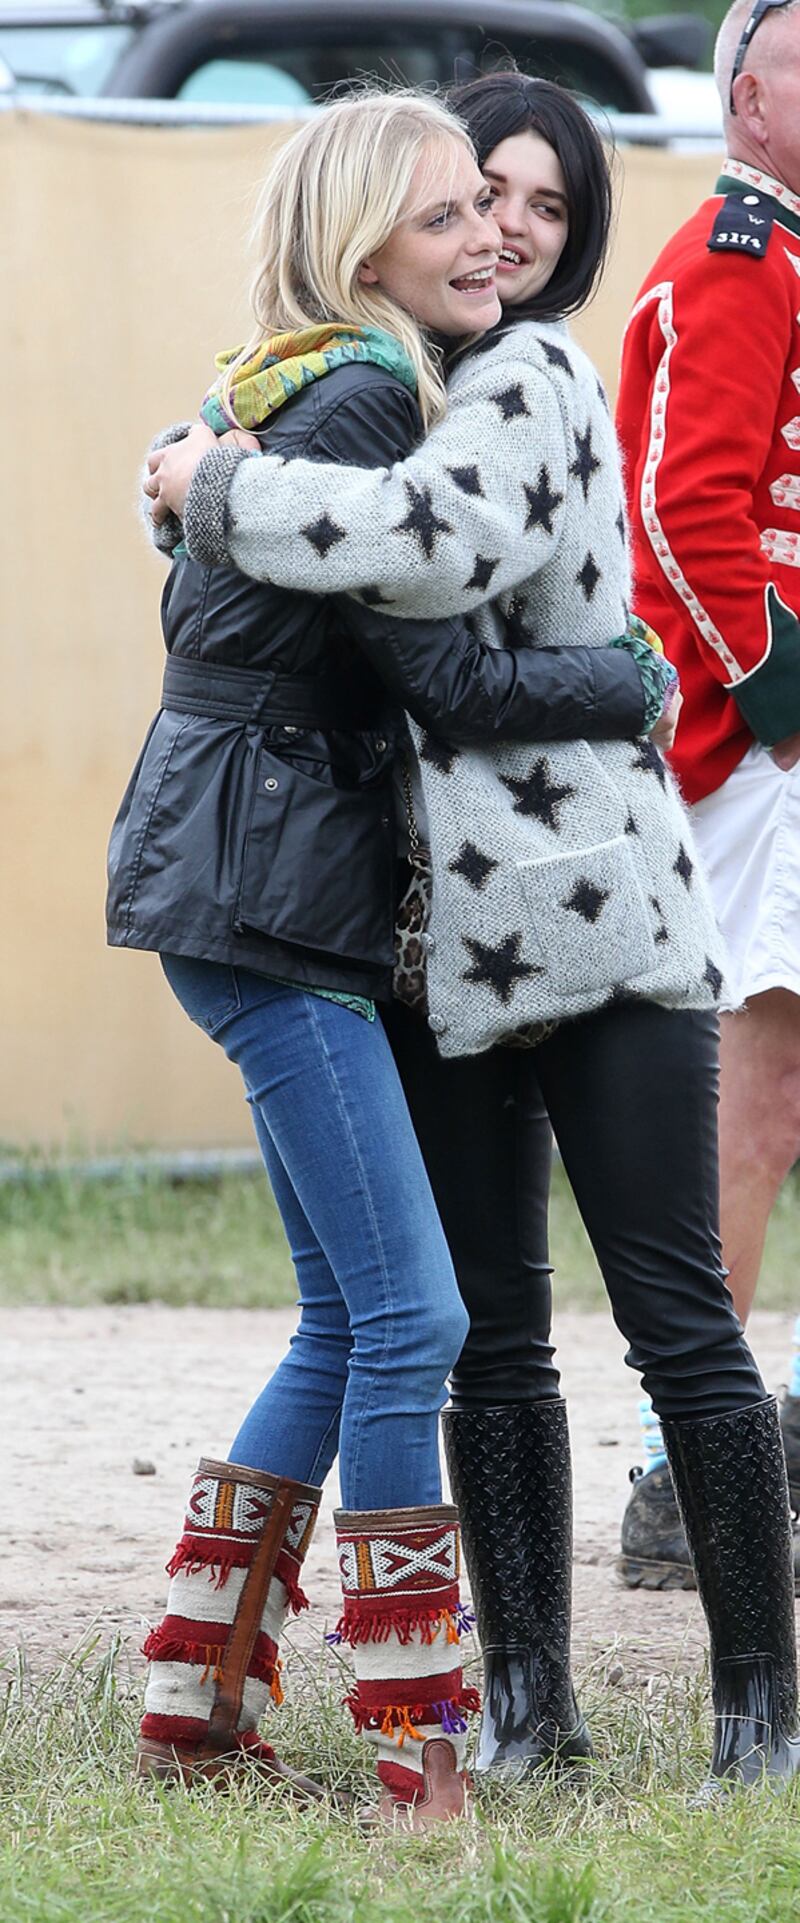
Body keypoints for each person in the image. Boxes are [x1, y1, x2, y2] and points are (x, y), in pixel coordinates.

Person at [146, 74, 800, 1793]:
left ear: (572, 243)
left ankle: (760, 1720)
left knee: (673, 1313)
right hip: (436, 941)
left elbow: (423, 575)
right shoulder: (388, 389)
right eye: (468, 198)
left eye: (536, 209)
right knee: (485, 1337)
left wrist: (212, 485)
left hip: (601, 923)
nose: (505, 229)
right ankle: (526, 1715)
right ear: (381, 227)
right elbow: (395, 634)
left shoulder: (530, 379)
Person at [615, 0, 800, 1593]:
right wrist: (784, 703)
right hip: (761, 759)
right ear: (747, 95)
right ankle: (692, 1472)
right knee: (756, 1110)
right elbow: (689, 507)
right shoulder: (741, 253)